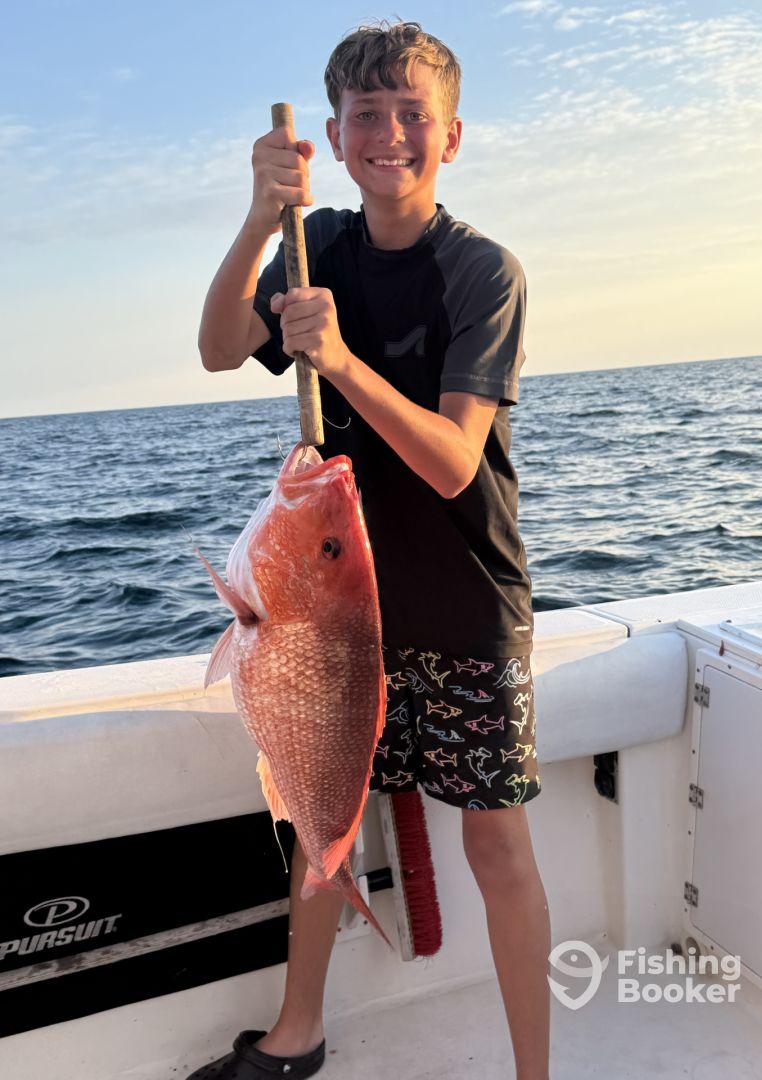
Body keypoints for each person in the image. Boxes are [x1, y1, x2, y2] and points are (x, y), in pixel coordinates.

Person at [194, 19, 550, 1080]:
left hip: (461, 602)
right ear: (336, 142)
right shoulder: (320, 250)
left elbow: (453, 464)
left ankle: (536, 1072)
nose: (389, 134)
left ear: (451, 135)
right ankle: (295, 1035)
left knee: (495, 844)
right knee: (318, 820)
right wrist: (260, 221)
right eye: (366, 117)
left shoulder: (481, 271)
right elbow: (218, 347)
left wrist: (340, 361)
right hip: (332, 613)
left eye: (412, 116)